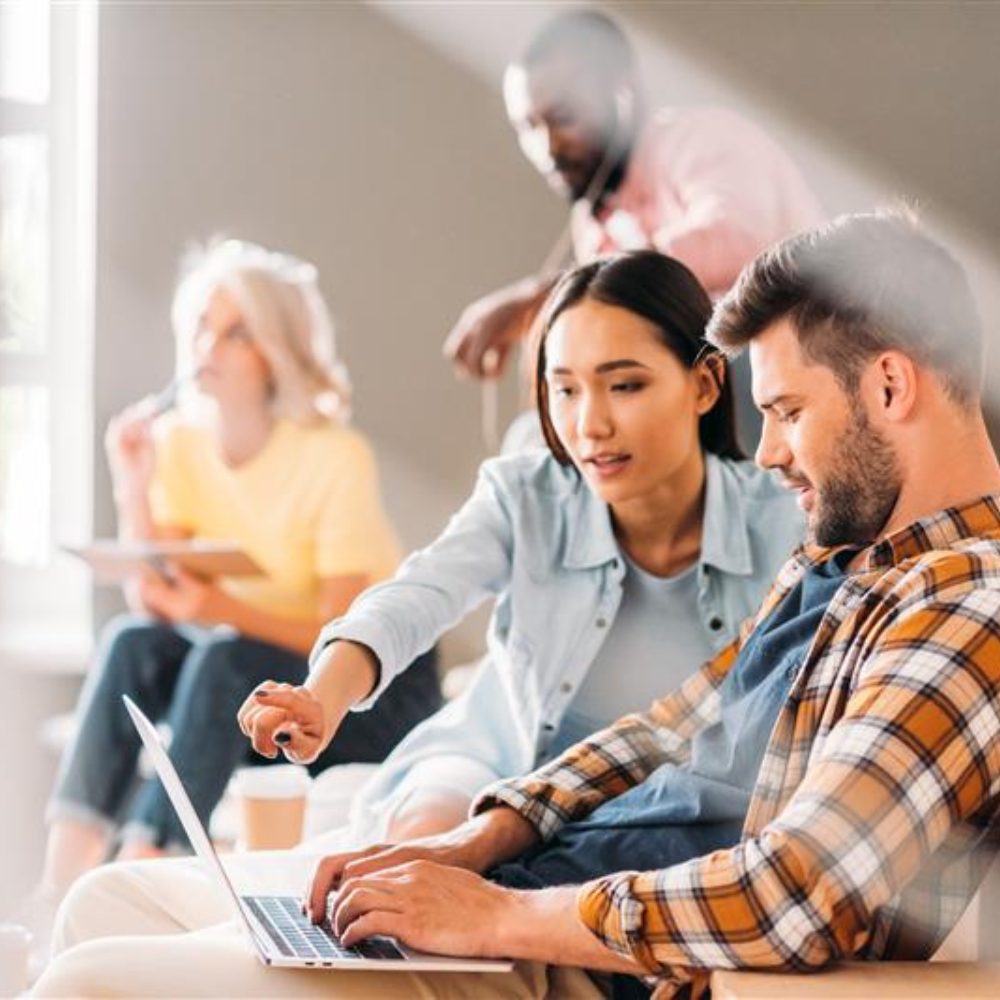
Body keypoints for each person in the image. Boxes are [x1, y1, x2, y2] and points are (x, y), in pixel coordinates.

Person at [33, 211, 1000, 999]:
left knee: (90, 981)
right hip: (526, 893)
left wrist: (491, 914)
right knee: (103, 907)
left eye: (786, 412)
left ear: (888, 384)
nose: (773, 447)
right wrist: (484, 836)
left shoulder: (967, 608)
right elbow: (669, 729)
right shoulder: (842, 563)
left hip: (566, 951)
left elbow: (795, 894)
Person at [244, 249, 803, 843]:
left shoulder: (782, 519)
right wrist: (321, 696)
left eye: (625, 385)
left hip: (669, 802)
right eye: (564, 390)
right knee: (422, 842)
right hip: (500, 763)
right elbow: (420, 594)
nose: (590, 424)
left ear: (705, 384)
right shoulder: (526, 494)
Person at [38, 240, 442, 900]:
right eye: (202, 325)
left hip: (364, 689)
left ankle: (134, 875)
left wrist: (218, 611)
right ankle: (58, 890)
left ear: (276, 353)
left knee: (224, 657)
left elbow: (337, 633)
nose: (209, 347)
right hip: (253, 680)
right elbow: (158, 605)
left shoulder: (335, 457)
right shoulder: (181, 445)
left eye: (236, 332)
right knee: (131, 644)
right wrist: (131, 483)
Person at [444, 9, 824, 452]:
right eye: (529, 127)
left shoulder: (703, 139)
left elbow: (734, 240)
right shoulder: (595, 224)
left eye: (564, 117)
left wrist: (552, 293)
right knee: (536, 440)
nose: (548, 148)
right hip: (716, 407)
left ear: (623, 94)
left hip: (800, 363)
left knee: (729, 357)